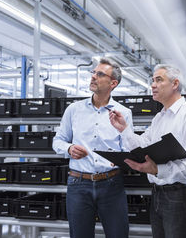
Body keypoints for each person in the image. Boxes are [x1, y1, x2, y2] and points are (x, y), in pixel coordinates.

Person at [109, 64, 186, 238]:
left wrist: (156, 169)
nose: (152, 85)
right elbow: (143, 144)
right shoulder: (160, 117)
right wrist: (124, 129)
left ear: (175, 84)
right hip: (158, 192)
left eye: (159, 80)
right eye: (152, 80)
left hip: (179, 194)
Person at [53, 58, 132, 238]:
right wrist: (69, 148)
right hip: (79, 184)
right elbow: (58, 141)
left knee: (118, 235)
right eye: (93, 73)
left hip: (111, 184)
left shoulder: (123, 113)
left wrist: (121, 158)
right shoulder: (74, 109)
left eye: (100, 74)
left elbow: (128, 148)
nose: (93, 77)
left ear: (113, 83)